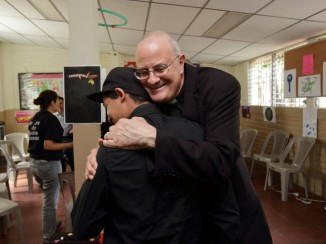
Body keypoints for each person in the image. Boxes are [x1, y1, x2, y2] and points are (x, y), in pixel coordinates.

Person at [86, 31, 273, 243]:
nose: (153, 79)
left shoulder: (218, 85)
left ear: (181, 62)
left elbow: (221, 160)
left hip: (230, 210)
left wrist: (154, 138)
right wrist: (101, 152)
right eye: (143, 72)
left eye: (160, 68)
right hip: (187, 217)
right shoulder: (149, 89)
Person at [72, 67, 204, 243]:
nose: (108, 115)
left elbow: (82, 226)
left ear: (120, 94)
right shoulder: (194, 131)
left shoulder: (111, 148)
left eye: (106, 106)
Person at [28, 90, 73, 243]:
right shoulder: (51, 119)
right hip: (48, 165)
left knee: (48, 197)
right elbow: (48, 145)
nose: (59, 104)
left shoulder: (36, 117)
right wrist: (72, 144)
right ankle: (48, 236)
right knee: (50, 203)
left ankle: (52, 223)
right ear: (52, 102)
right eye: (57, 102)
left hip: (34, 164)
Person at [54, 96, 74, 171]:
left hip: (66, 137)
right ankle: (61, 170)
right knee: (59, 155)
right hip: (56, 138)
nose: (60, 105)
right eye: (58, 103)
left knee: (71, 153)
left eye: (62, 103)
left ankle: (73, 169)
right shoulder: (54, 116)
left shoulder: (70, 115)